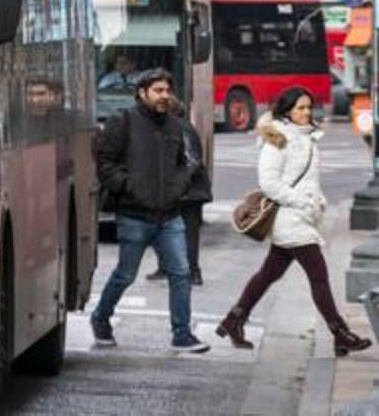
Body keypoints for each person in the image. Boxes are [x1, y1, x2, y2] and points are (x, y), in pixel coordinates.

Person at [215, 89, 372, 355]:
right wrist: (302, 202)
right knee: (319, 276)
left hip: (301, 218)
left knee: (269, 274)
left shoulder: (306, 137)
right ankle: (340, 333)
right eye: (300, 108)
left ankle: (234, 320)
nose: (306, 113)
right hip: (290, 220)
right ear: (287, 110)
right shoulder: (278, 139)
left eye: (308, 108)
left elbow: (310, 179)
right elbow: (269, 183)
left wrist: (318, 202)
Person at [92, 69, 210, 353]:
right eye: (158, 91)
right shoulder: (124, 122)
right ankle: (100, 318)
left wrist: (179, 186)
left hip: (170, 215)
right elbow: (104, 162)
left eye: (167, 90)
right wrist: (128, 185)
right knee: (125, 274)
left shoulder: (176, 125)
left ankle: (181, 333)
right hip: (134, 214)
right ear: (142, 93)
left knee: (181, 273)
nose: (164, 96)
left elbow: (188, 162)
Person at [146, 96, 212, 286]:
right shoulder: (169, 129)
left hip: (189, 192)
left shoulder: (183, 129)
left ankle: (193, 272)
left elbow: (193, 160)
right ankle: (167, 267)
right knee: (162, 227)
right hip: (179, 189)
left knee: (189, 232)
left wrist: (176, 182)